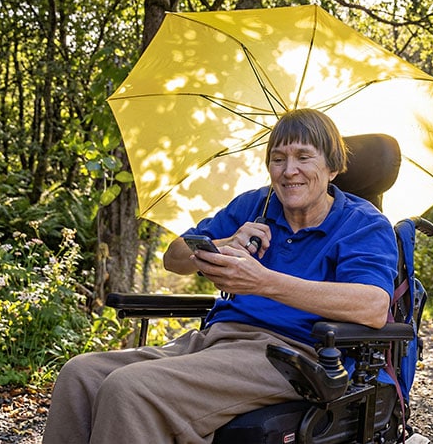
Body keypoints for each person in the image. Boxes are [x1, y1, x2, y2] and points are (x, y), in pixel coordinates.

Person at [42, 108, 398, 444]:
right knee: (80, 375)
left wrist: (263, 282)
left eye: (304, 157)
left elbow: (371, 306)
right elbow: (174, 257)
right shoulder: (255, 205)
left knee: (130, 388)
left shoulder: (362, 224)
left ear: (333, 167)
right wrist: (225, 241)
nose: (289, 171)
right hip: (218, 339)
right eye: (278, 159)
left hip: (293, 356)